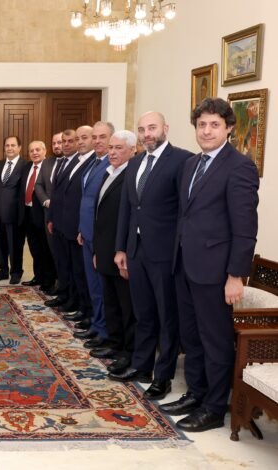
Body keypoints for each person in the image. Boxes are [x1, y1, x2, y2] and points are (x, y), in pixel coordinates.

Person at [160, 98, 259, 432]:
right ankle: (196, 393)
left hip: (216, 272)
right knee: (191, 337)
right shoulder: (191, 164)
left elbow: (245, 228)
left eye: (214, 124)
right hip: (184, 266)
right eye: (201, 124)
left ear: (229, 128)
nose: (206, 131)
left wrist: (236, 275)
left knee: (215, 341)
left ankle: (215, 408)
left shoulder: (239, 167)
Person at [110, 111, 194, 402]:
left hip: (165, 253)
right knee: (143, 312)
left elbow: (185, 211)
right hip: (136, 250)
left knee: (167, 316)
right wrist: (121, 248)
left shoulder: (182, 160)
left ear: (165, 128)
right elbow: (127, 208)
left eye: (152, 128)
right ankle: (142, 366)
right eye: (142, 129)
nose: (147, 134)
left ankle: (163, 376)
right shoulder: (135, 162)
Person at [92, 130, 136, 372]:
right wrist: (98, 250)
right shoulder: (109, 172)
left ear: (132, 150)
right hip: (105, 248)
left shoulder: (132, 175)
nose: (112, 152)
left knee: (126, 305)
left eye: (119, 148)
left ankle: (128, 352)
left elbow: (130, 219)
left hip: (122, 253)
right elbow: (102, 214)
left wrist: (124, 250)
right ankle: (114, 342)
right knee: (111, 301)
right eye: (111, 147)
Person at [76, 121, 114, 346]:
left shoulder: (113, 163)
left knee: (102, 286)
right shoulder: (92, 162)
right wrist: (81, 228)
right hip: (87, 233)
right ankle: (97, 324)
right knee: (93, 285)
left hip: (101, 236)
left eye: (102, 137)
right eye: (95, 137)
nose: (98, 141)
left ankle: (105, 331)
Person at [45, 129, 78, 307]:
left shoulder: (79, 163)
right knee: (61, 261)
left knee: (72, 265)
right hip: (57, 221)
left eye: (69, 141)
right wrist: (51, 218)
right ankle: (63, 295)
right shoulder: (61, 162)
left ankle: (71, 299)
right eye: (63, 141)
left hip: (69, 223)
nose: (65, 144)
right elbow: (55, 194)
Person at [0, 136, 28, 284]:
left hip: (15, 214)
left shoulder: (25, 165)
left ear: (19, 148)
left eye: (13, 145)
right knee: (0, 245)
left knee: (15, 245)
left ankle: (16, 272)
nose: (10, 148)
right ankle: (3, 271)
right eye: (7, 145)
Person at [21, 140, 56, 291]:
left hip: (43, 214)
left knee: (45, 248)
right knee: (34, 247)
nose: (34, 153)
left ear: (44, 151)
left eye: (38, 150)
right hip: (28, 213)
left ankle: (49, 280)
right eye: (31, 150)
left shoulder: (50, 166)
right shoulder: (27, 167)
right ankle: (38, 276)